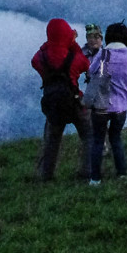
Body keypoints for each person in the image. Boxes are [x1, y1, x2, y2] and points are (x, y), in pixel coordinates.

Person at [32, 17, 89, 180]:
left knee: (52, 140)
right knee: (89, 135)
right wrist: (73, 43)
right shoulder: (73, 57)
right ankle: (87, 170)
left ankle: (46, 175)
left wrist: (48, 45)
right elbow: (85, 64)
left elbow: (34, 60)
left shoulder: (41, 58)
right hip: (75, 102)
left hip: (53, 105)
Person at [84, 21, 127, 185]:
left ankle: (95, 179)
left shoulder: (103, 55)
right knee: (116, 138)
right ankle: (122, 173)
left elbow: (91, 70)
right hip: (121, 106)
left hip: (101, 105)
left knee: (98, 141)